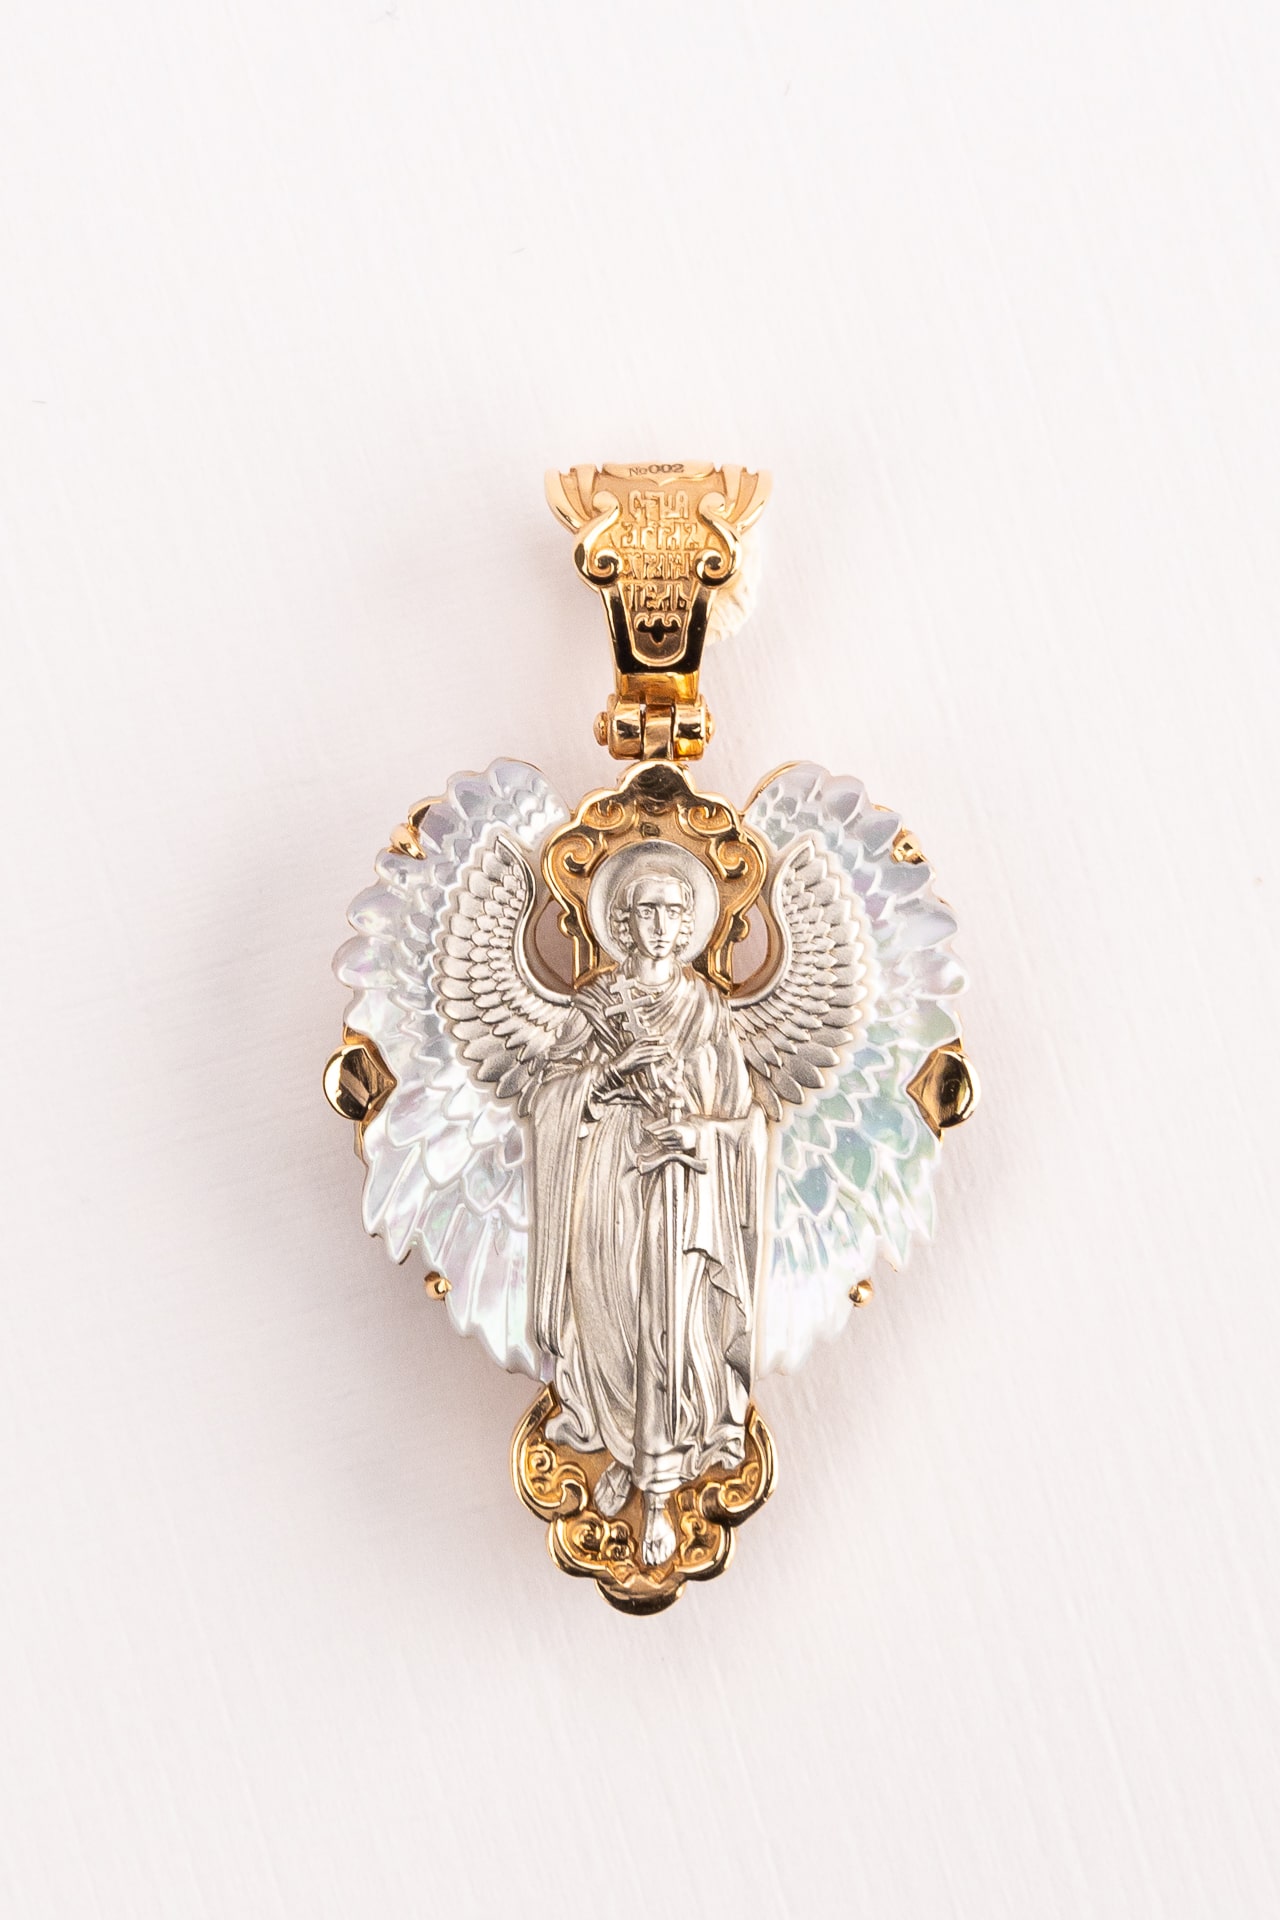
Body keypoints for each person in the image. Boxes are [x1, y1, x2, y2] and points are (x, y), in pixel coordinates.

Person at [528, 844, 768, 1567]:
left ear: (690, 922)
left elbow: (744, 1120)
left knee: (674, 1324)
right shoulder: (595, 1007)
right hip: (608, 1185)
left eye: (673, 911)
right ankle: (622, 1445)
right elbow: (548, 1100)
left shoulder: (707, 1011)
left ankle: (662, 1481)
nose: (661, 925)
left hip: (684, 1189)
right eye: (646, 912)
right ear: (623, 923)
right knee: (611, 1314)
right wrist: (608, 1077)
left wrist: (697, 1136)